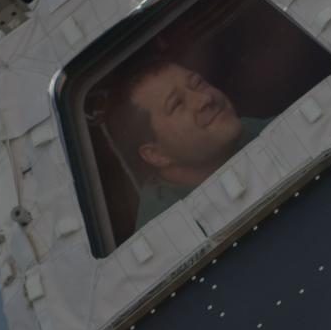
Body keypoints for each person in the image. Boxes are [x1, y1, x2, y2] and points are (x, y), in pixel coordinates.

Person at [105, 54, 264, 227]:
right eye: (177, 104)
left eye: (197, 83)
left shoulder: (249, 130)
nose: (205, 99)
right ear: (156, 154)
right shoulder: (166, 231)